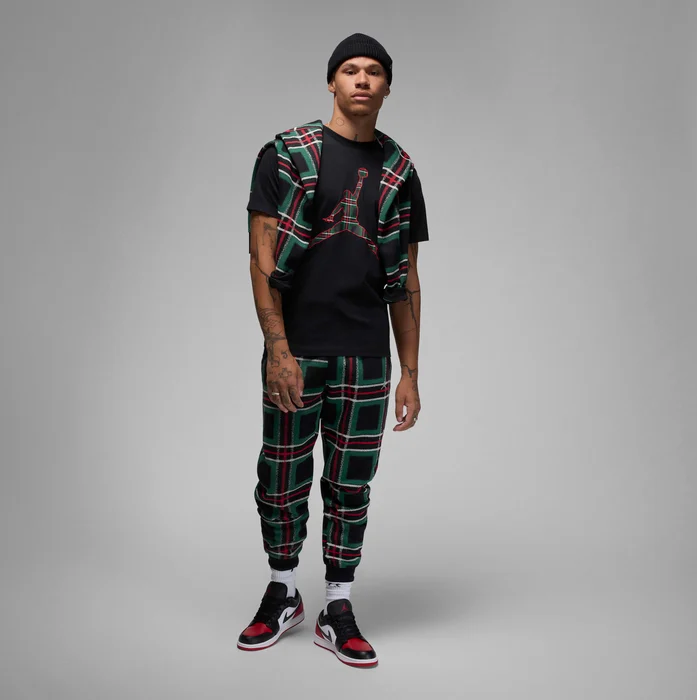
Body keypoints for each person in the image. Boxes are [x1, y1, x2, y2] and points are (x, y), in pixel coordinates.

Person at [238, 32, 429, 668]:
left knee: (351, 485)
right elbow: (261, 258)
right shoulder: (285, 154)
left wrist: (410, 372)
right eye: (350, 69)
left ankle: (337, 606)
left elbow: (407, 278)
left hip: (366, 353)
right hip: (298, 347)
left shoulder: (400, 170)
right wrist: (278, 349)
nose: (362, 79)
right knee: (281, 476)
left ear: (387, 86)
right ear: (332, 82)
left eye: (374, 71)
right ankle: (283, 591)